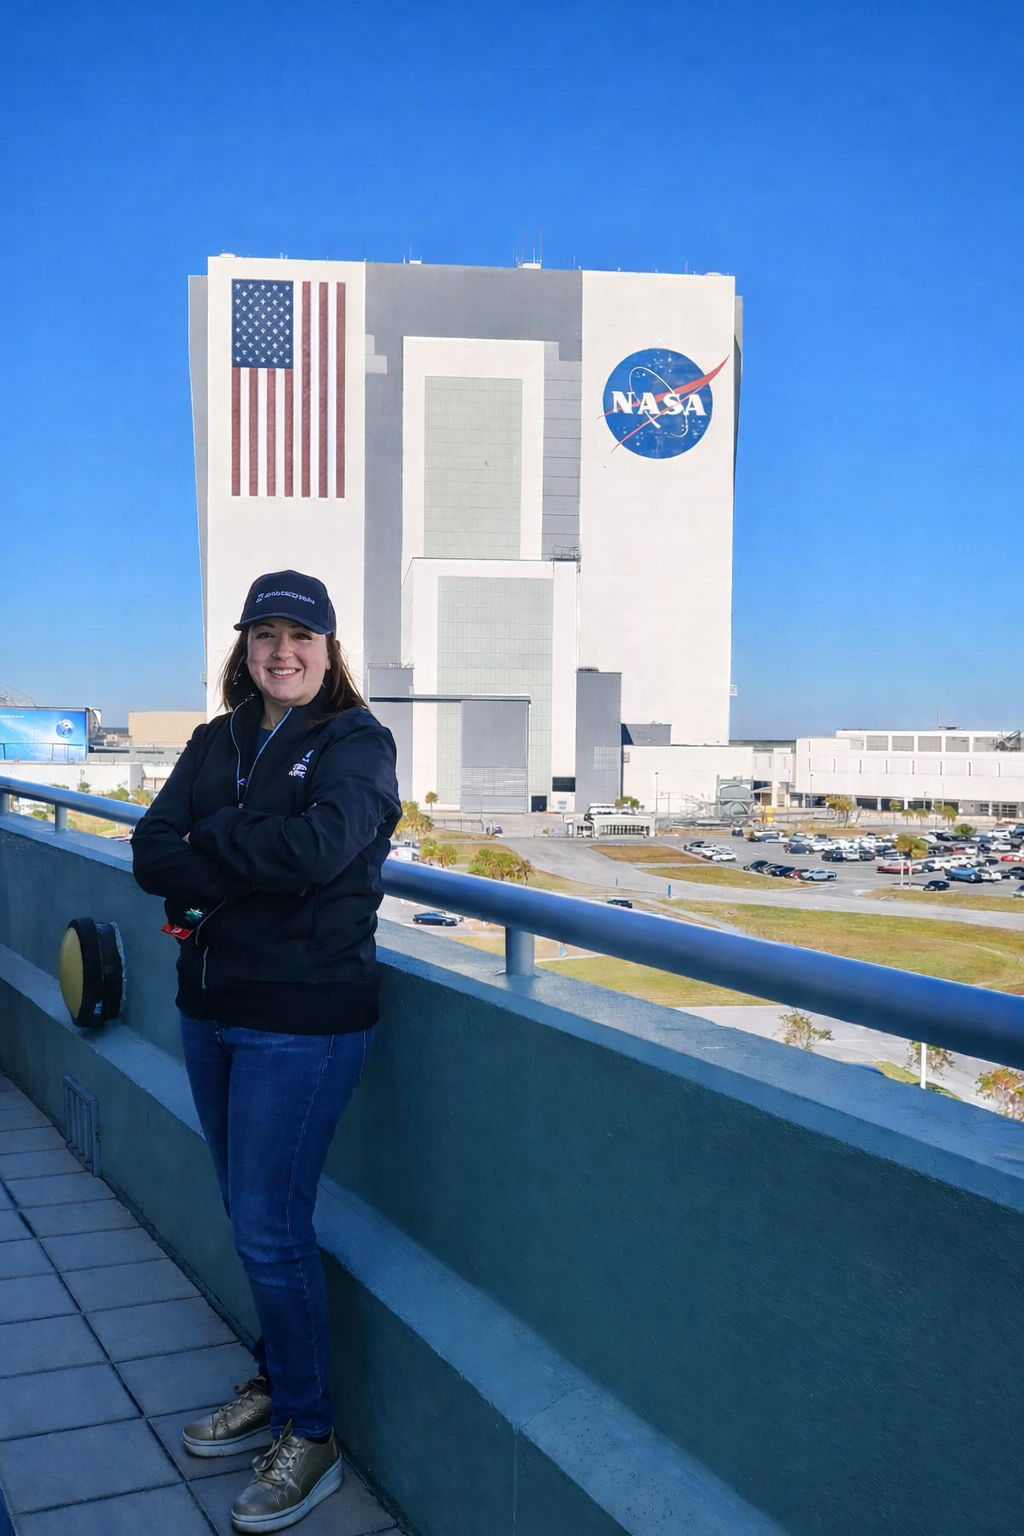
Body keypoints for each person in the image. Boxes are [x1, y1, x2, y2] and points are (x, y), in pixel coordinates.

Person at [132, 570, 400, 1533]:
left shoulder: (356, 741)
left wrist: (215, 835)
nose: (281, 652)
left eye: (301, 636)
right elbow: (152, 849)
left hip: (305, 1020)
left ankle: (311, 1431)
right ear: (244, 650)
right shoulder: (217, 739)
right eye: (264, 636)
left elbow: (321, 851)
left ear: (329, 651)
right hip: (209, 1007)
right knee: (251, 1218)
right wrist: (245, 851)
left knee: (270, 1227)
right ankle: (279, 1380)